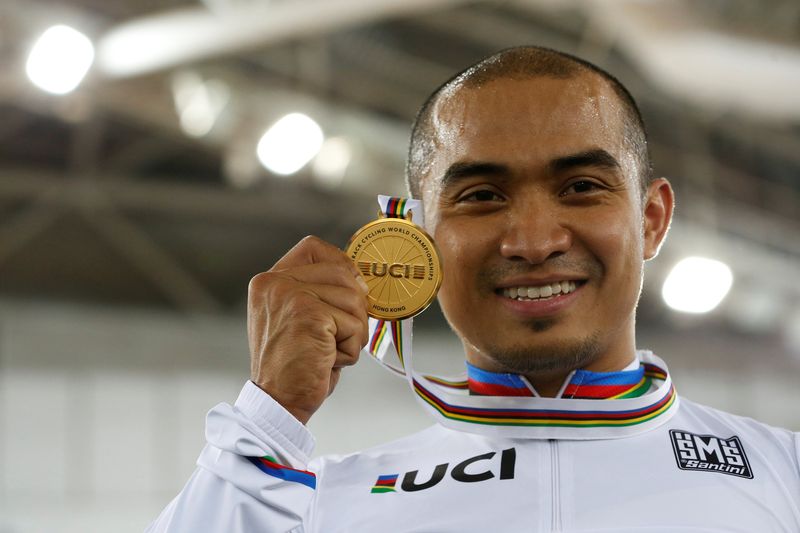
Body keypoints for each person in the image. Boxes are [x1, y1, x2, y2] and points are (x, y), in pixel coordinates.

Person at [147, 47, 800, 532]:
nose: (533, 240)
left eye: (581, 187)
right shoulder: (316, 501)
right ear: (416, 235)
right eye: (482, 196)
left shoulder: (787, 476)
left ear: (652, 218)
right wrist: (268, 417)